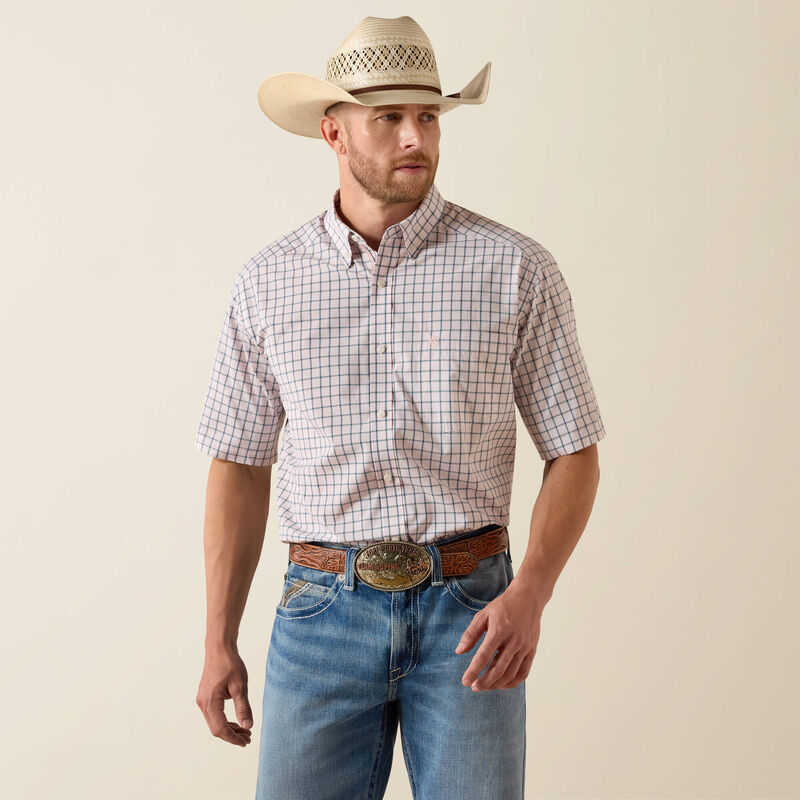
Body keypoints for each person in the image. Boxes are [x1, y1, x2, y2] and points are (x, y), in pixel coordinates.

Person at [194, 15, 606, 800]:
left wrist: (531, 595)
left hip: (472, 614)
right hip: (319, 615)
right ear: (334, 133)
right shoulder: (267, 283)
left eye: (428, 115)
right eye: (388, 117)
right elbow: (240, 466)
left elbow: (575, 449)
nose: (416, 136)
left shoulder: (515, 268)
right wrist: (217, 638)